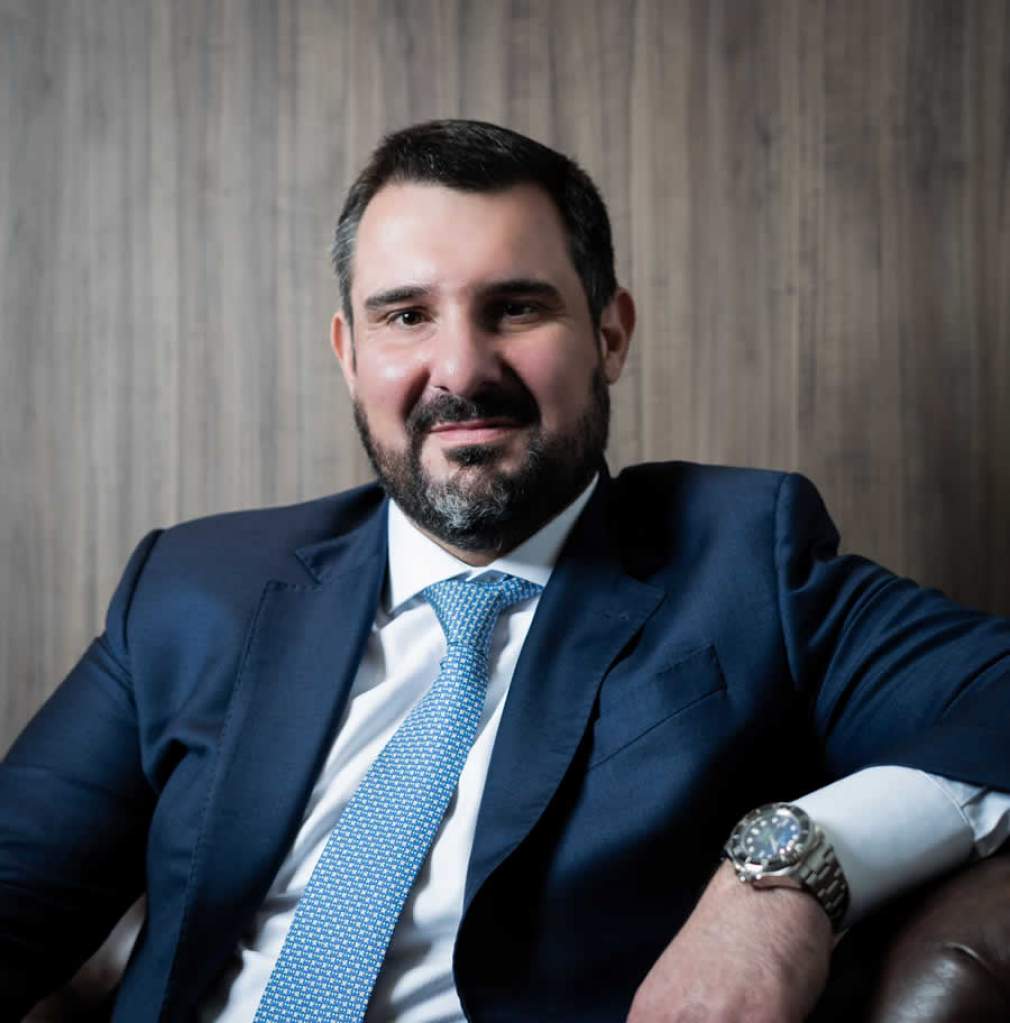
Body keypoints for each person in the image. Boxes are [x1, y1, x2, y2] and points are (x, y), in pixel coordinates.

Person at [2, 119, 1009, 1023]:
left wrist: (789, 870)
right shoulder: (194, 588)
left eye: (515, 308)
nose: (460, 370)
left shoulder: (742, 559)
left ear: (609, 334)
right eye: (406, 316)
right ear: (348, 353)